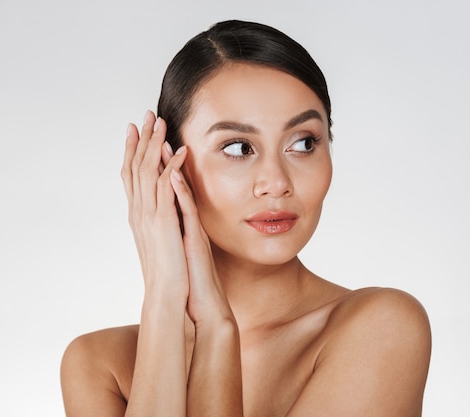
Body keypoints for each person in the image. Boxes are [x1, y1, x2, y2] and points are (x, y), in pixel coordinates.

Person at [60, 20, 431, 417]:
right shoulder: (99, 366)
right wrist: (165, 301)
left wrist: (218, 332)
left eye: (303, 143)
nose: (276, 183)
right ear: (170, 165)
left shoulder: (382, 328)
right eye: (238, 147)